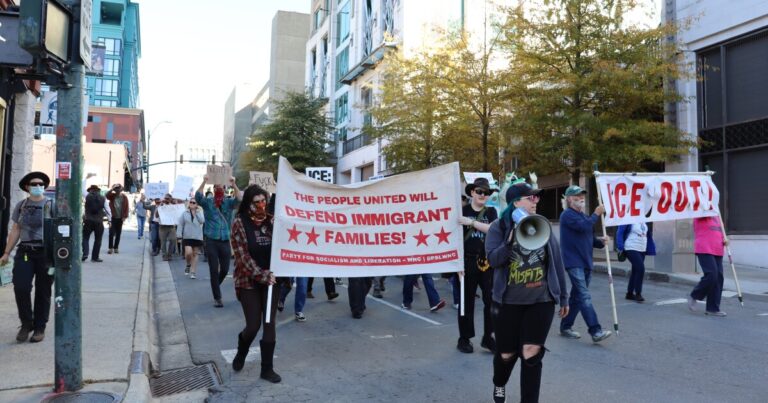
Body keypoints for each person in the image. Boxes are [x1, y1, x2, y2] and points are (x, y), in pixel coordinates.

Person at [485, 180, 569, 403]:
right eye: (530, 198)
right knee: (506, 354)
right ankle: (499, 382)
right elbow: (493, 260)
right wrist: (510, 242)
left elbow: (557, 262)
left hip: (541, 300)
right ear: (515, 203)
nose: (536, 201)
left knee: (531, 351)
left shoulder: (541, 225)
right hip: (507, 303)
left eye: (537, 197)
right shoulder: (498, 228)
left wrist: (563, 296)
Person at [229, 185, 281, 382]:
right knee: (253, 326)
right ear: (248, 203)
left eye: (263, 201)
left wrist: (279, 228)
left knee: (269, 323)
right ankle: (242, 351)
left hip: (272, 280)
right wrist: (262, 275)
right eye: (256, 202)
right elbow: (242, 257)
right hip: (248, 280)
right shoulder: (239, 223)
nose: (261, 205)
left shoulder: (272, 221)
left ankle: (266, 369)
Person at [0, 172, 54, 343]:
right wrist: (6, 252)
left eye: (41, 184)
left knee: (43, 291)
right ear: (27, 187)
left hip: (46, 253)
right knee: (21, 287)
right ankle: (26, 323)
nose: (38, 186)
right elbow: (16, 229)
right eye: (34, 184)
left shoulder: (52, 205)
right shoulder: (21, 205)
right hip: (25, 252)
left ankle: (39, 327)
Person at [558, 185, 612, 343]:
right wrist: (596, 214)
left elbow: (589, 237)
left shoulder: (583, 216)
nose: (581, 198)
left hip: (586, 262)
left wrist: (602, 242)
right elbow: (584, 227)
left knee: (577, 297)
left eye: (582, 195)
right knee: (584, 296)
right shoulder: (567, 215)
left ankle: (565, 326)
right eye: (576, 196)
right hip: (574, 262)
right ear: (569, 199)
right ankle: (595, 331)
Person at [456, 177, 498, 353]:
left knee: (492, 301)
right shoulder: (462, 211)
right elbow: (454, 239)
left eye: (486, 193)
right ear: (472, 192)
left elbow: (493, 230)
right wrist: (456, 264)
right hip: (466, 261)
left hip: (487, 262)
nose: (483, 195)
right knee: (467, 302)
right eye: (479, 191)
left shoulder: (491, 213)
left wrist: (471, 223)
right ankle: (464, 338)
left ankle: (488, 337)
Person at [196, 175, 241, 308]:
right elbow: (198, 196)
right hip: (211, 240)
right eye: (216, 187)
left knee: (225, 269)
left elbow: (240, 199)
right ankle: (217, 297)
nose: (219, 188)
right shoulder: (208, 202)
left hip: (225, 240)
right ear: (214, 189)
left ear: (225, 188)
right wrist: (204, 181)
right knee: (213, 269)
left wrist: (234, 184)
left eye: (221, 186)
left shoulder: (228, 202)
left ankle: (215, 284)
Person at [687, 216, 728, 316]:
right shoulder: (701, 212)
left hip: (717, 248)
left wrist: (725, 238)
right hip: (704, 248)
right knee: (711, 274)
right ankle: (695, 295)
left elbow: (720, 229)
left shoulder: (717, 215)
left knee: (718, 278)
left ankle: (712, 308)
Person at [616, 221, 656, 302]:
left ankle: (629, 293)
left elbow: (647, 235)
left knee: (635, 271)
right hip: (631, 247)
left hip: (642, 248)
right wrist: (620, 246)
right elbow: (620, 232)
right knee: (640, 269)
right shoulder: (628, 218)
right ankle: (638, 293)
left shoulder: (644, 220)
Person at [178, 199, 205, 279]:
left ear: (197, 204)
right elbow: (180, 224)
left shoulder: (199, 212)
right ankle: (188, 264)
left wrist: (196, 212)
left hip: (197, 236)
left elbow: (202, 221)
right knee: (188, 253)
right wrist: (179, 235)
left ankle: (193, 272)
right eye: (191, 202)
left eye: (194, 203)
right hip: (187, 236)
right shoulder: (184, 213)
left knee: (195, 254)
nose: (192, 204)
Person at [82, 184, 106, 262]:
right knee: (98, 240)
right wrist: (110, 220)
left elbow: (82, 188)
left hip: (88, 221)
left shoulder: (87, 196)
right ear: (98, 190)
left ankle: (85, 253)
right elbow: (107, 209)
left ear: (90, 190)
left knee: (85, 238)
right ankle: (95, 257)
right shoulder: (103, 198)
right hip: (99, 222)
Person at [106, 184, 129, 254]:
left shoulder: (124, 197)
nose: (117, 191)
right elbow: (106, 195)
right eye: (116, 189)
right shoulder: (112, 196)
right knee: (111, 233)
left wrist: (125, 217)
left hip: (120, 218)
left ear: (121, 190)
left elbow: (127, 207)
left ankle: (116, 247)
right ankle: (110, 248)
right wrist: (111, 189)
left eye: (118, 189)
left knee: (118, 234)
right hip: (112, 217)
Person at [158, 195, 178, 261]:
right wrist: (159, 207)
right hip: (162, 227)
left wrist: (176, 205)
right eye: (165, 198)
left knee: (173, 240)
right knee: (163, 242)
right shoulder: (161, 205)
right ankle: (164, 255)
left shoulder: (173, 206)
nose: (166, 200)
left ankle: (170, 254)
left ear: (170, 199)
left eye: (168, 199)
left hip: (171, 226)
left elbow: (177, 213)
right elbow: (156, 215)